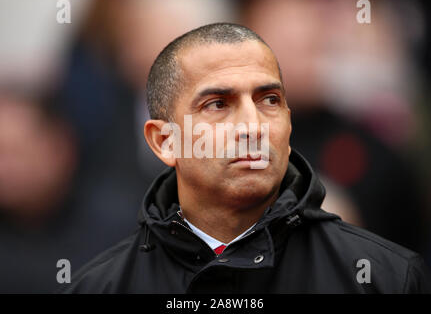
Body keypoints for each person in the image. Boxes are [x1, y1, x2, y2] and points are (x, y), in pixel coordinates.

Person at [62, 23, 431, 293]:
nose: (252, 126)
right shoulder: (98, 288)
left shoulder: (387, 279)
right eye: (218, 104)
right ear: (164, 141)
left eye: (269, 100)